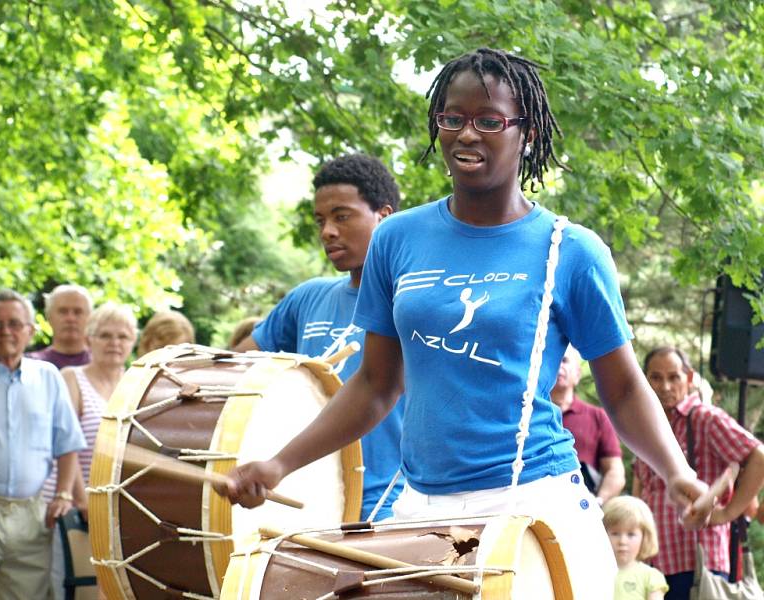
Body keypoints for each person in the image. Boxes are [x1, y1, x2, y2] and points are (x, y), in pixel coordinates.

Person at [219, 48, 714, 599]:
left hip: (536, 499)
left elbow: (622, 389)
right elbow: (376, 385)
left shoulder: (569, 250)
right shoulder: (397, 240)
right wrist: (280, 463)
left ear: (526, 134)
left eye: (489, 120)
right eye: (452, 118)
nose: (466, 134)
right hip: (421, 506)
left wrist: (676, 472)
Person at [233, 153, 404, 521]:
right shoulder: (308, 297)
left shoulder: (411, 302)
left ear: (384, 217)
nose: (327, 231)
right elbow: (236, 372)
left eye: (342, 216)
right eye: (321, 220)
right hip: (310, 504)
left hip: (391, 507)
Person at [0, 289, 86, 599]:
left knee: (26, 594)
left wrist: (63, 493)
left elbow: (67, 441)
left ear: (30, 331)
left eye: (15, 324)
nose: (5, 331)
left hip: (32, 512)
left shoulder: (48, 377)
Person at [633, 346, 764, 599]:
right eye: (656, 377)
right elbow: (643, 488)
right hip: (655, 562)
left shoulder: (704, 418)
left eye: (674, 377)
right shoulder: (648, 425)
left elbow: (758, 457)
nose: (665, 386)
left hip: (698, 561)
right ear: (645, 379)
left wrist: (728, 512)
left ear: (689, 378)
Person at [41, 303, 137, 600]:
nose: (114, 343)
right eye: (105, 335)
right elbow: (63, 445)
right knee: (68, 589)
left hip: (112, 511)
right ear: (88, 340)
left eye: (122, 336)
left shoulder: (136, 385)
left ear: (133, 341)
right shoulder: (71, 377)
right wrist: (83, 500)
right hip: (69, 507)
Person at [551, 344, 625, 504]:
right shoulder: (527, 415)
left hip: (581, 507)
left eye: (564, 361)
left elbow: (615, 470)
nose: (558, 366)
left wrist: (597, 501)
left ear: (577, 374)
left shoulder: (597, 416)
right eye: (553, 360)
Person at [603, 495, 669, 600]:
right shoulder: (595, 573)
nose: (622, 541)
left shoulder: (651, 577)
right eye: (615, 533)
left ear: (645, 537)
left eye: (631, 535)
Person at [28, 284, 93, 369]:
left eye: (78, 312)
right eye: (63, 312)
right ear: (49, 316)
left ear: (90, 317)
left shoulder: (104, 364)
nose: (70, 318)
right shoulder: (31, 365)